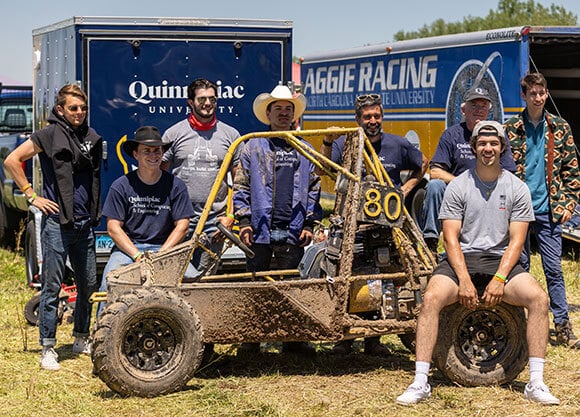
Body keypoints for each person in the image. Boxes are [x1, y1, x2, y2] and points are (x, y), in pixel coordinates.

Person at [396, 121, 559, 406]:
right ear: (473, 148)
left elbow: (516, 242)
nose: (488, 149)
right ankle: (420, 381)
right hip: (462, 260)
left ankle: (536, 382)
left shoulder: (517, 187)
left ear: (502, 147)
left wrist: (499, 279)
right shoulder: (458, 186)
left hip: (499, 261)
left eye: (494, 144)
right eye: (482, 144)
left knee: (538, 299)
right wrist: (463, 279)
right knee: (432, 297)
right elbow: (450, 239)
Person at [320, 93, 428, 356]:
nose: (373, 121)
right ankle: (343, 339)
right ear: (358, 119)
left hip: (385, 226)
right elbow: (323, 167)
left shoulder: (397, 145)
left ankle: (374, 339)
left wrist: (404, 189)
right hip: (352, 225)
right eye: (367, 117)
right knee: (348, 276)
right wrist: (327, 141)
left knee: (382, 276)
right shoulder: (346, 144)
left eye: (377, 116)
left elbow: (422, 163)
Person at [4, 84, 102, 370]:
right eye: (73, 108)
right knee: (52, 286)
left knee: (88, 285)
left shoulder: (90, 137)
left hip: (85, 223)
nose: (79, 113)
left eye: (82, 108)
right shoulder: (48, 135)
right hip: (57, 224)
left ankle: (81, 336)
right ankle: (47, 347)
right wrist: (33, 196)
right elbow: (12, 160)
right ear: (60, 109)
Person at [233, 84, 321, 354]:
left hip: (293, 229)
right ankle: (252, 340)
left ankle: (292, 340)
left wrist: (308, 223)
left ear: (294, 115)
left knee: (292, 285)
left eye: (288, 110)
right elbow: (242, 185)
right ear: (268, 114)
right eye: (278, 109)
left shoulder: (305, 148)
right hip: (259, 228)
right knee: (257, 284)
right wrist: (244, 221)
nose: (283, 114)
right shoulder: (252, 145)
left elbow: (314, 187)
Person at [503, 72, 580, 349]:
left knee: (554, 269)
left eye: (542, 93)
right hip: (518, 210)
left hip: (549, 209)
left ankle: (562, 327)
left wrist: (569, 202)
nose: (538, 98)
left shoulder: (559, 127)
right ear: (524, 96)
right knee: (519, 268)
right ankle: (523, 325)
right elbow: (501, 170)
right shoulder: (510, 129)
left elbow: (572, 168)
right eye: (532, 93)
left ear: (547, 94)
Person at [97, 126, 194, 313]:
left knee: (192, 281)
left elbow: (183, 225)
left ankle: (197, 336)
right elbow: (113, 227)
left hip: (165, 249)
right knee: (109, 282)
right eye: (146, 151)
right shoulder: (121, 186)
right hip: (128, 250)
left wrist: (162, 255)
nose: (153, 155)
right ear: (136, 154)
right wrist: (137, 256)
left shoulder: (176, 185)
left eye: (157, 150)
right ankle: (102, 335)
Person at [161, 78, 240, 279]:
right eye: (202, 99)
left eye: (212, 99)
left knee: (205, 280)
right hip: (180, 218)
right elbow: (158, 176)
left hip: (215, 221)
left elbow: (240, 182)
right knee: (176, 277)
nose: (207, 104)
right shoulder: (174, 133)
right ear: (190, 102)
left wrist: (230, 217)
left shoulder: (231, 135)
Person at [421, 87, 516, 253]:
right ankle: (431, 242)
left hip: (490, 191)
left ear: (489, 111)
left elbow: (509, 172)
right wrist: (464, 185)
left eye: (483, 106)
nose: (479, 110)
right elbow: (435, 171)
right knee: (434, 186)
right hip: (458, 194)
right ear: (463, 109)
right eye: (474, 105)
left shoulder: (497, 135)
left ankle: (506, 247)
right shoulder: (451, 135)